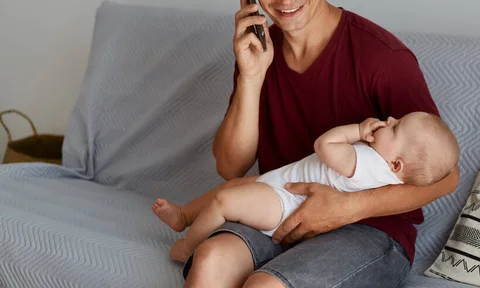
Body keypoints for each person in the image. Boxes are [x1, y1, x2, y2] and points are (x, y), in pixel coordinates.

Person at [183, 0, 460, 288]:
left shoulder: (382, 58)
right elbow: (230, 168)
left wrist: (346, 208)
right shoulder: (258, 53)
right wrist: (251, 77)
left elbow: (447, 178)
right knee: (210, 260)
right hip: (280, 207)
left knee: (265, 286)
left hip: (368, 228)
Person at [153, 112, 459, 263]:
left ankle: (187, 247)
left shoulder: (366, 165)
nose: (389, 119)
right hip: (282, 184)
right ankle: (183, 214)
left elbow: (324, 145)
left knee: (224, 199)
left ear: (396, 165)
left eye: (395, 127)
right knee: (234, 185)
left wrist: (357, 130)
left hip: (284, 201)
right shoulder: (384, 171)